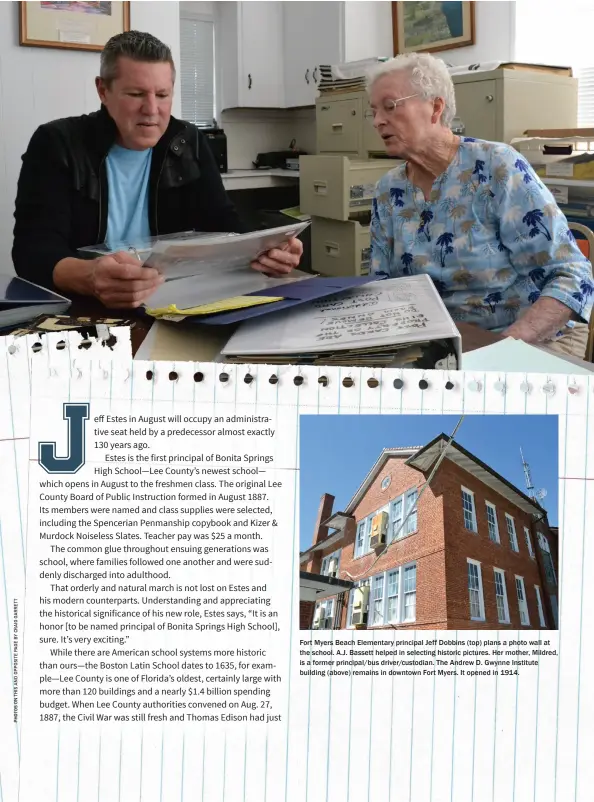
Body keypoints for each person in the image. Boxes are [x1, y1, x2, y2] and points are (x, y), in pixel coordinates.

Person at [12, 31, 302, 309]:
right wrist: (90, 277)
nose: (151, 109)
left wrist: (266, 253)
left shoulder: (188, 141)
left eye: (162, 95)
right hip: (87, 308)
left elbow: (223, 224)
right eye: (136, 94)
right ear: (103, 90)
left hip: (180, 302)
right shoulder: (57, 143)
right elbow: (32, 251)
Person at [367, 53, 593, 358]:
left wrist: (503, 348)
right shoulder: (388, 190)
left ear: (435, 107)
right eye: (374, 110)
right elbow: (382, 284)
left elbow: (572, 274)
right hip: (444, 341)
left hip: (530, 335)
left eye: (390, 106)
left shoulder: (496, 166)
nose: (378, 120)